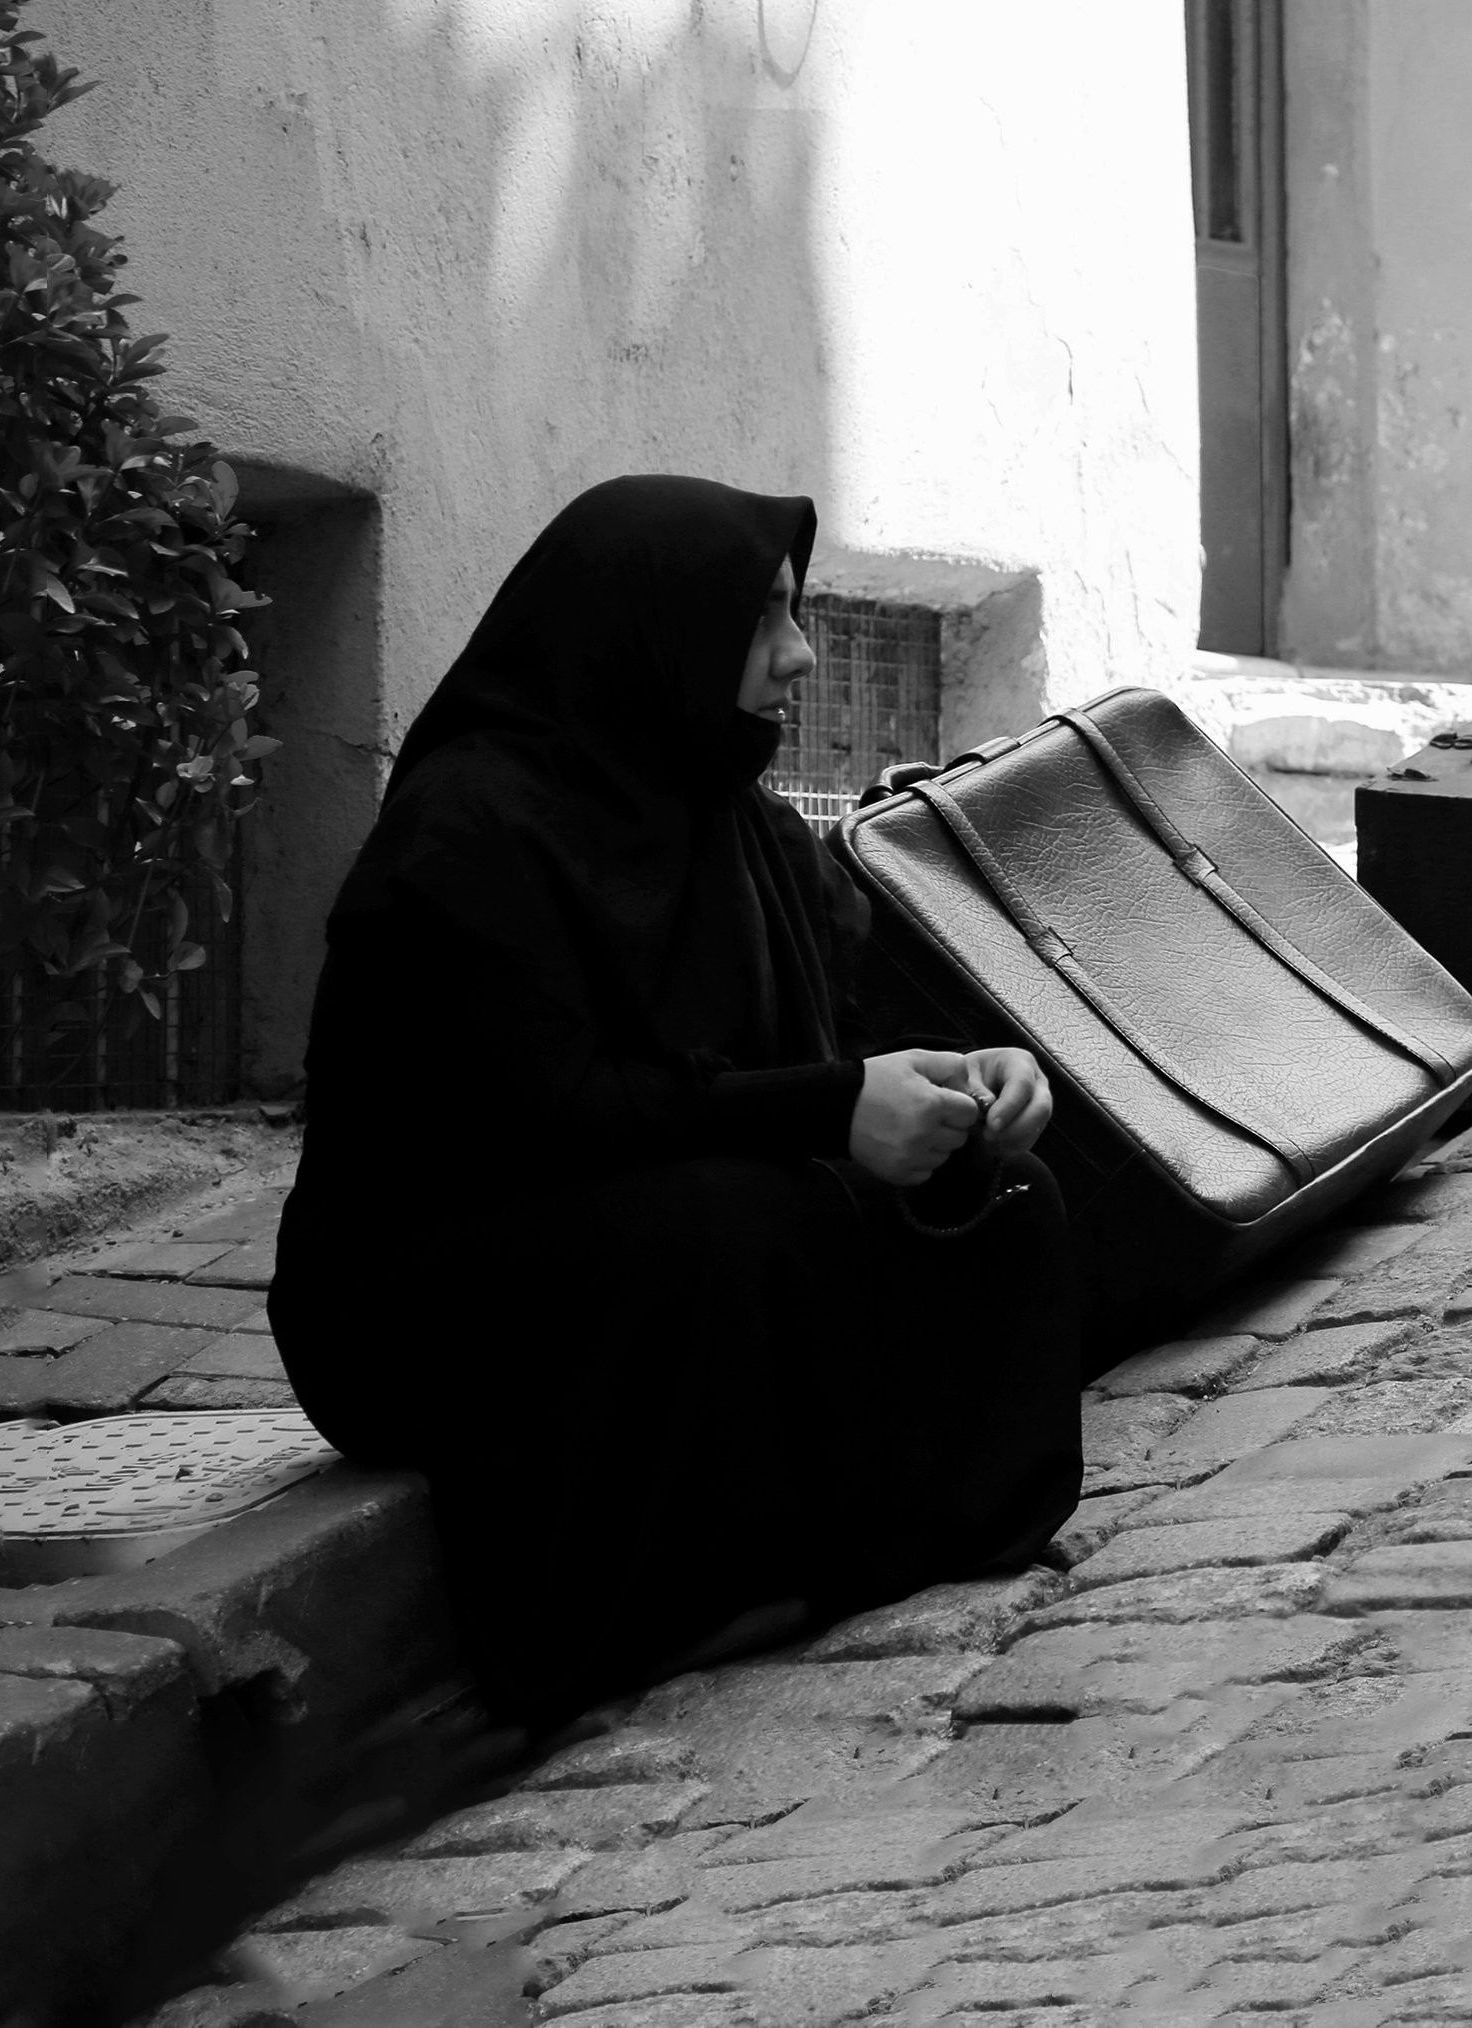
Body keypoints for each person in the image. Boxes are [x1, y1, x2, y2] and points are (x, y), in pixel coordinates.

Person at [269, 476, 1081, 1734]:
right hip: (425, 1289)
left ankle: (891, 1536)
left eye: (797, 615)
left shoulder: (730, 818)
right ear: (651, 631)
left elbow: (841, 1039)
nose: (800, 656)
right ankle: (663, 1606)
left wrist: (965, 1080)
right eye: (761, 620)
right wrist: (831, 1111)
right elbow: (557, 1116)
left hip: (653, 1203)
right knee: (738, 1224)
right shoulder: (470, 833)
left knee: (998, 1199)